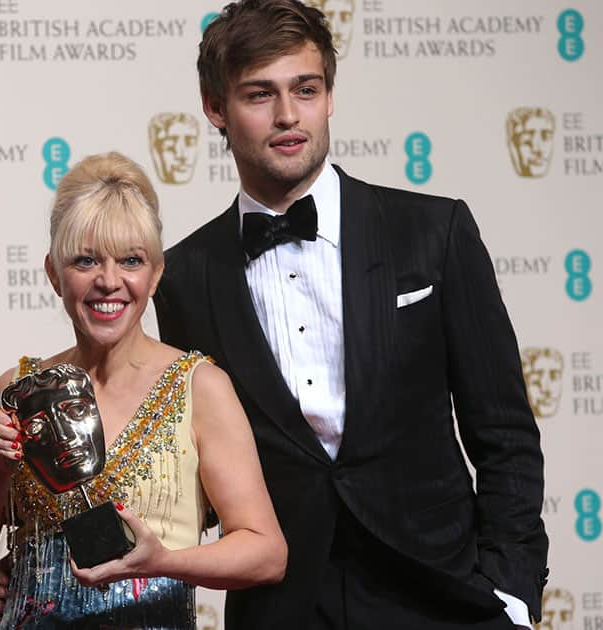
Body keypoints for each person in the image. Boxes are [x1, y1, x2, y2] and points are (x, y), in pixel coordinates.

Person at [155, 1, 549, 628]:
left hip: (442, 595)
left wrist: (512, 590)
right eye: (260, 94)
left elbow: (505, 436)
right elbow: (202, 477)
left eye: (305, 90)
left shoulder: (432, 232)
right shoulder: (183, 276)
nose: (288, 116)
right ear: (214, 108)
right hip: (282, 605)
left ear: (329, 96)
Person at [0, 152, 286, 628]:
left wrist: (162, 561)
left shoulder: (199, 387)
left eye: (130, 260)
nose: (109, 281)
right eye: (86, 260)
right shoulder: (20, 389)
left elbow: (266, 553)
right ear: (54, 273)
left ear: (155, 274)